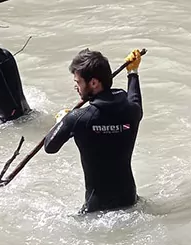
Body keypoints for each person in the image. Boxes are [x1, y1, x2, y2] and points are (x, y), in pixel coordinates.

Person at [43, 48, 144, 214]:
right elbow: (135, 98)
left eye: (78, 82)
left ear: (94, 83)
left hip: (97, 211)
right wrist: (133, 72)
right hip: (130, 201)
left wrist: (63, 121)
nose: (76, 87)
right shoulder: (132, 112)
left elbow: (50, 146)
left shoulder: (78, 118)